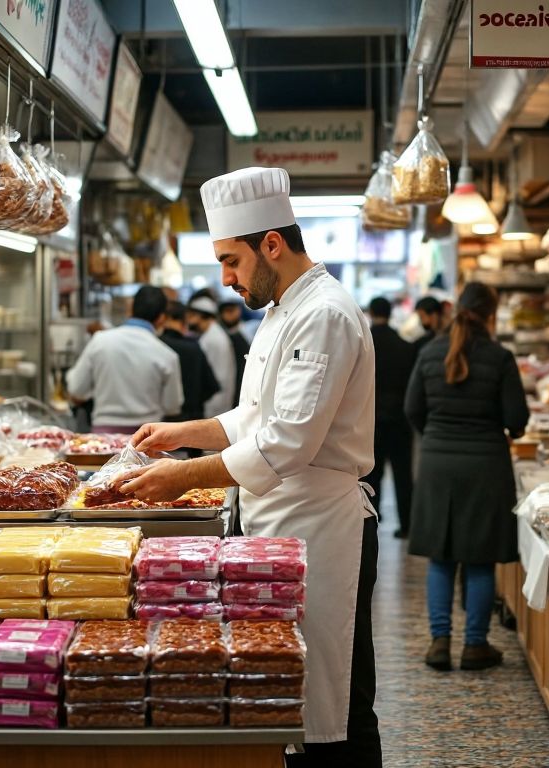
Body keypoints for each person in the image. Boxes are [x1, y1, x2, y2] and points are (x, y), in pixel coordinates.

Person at [117, 167, 381, 765]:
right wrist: (181, 433)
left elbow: (287, 444)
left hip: (322, 528)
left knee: (333, 700)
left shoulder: (325, 314)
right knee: (289, 687)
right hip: (277, 524)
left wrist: (181, 476)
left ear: (272, 244)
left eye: (231, 261)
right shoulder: (280, 310)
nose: (226, 279)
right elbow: (252, 420)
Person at [405, 282, 528, 672]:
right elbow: (517, 421)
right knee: (479, 560)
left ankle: (439, 643)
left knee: (440, 559)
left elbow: (413, 410)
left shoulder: (429, 353)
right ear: (490, 314)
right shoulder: (500, 357)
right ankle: (475, 645)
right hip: (485, 467)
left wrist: (439, 435)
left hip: (438, 465)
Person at [65, 285, 183, 433]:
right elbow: (172, 406)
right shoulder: (167, 355)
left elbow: (76, 389)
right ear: (161, 318)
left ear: (130, 309)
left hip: (104, 438)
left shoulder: (100, 341)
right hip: (147, 439)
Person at [363, 296, 416, 539]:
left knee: (371, 474)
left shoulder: (364, 345)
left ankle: (371, 520)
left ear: (372, 313)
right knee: (402, 473)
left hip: (370, 420)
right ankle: (406, 525)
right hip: (399, 418)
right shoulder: (405, 346)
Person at [160, 301, 221, 422]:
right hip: (191, 419)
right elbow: (212, 387)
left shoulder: (156, 344)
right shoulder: (193, 347)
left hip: (160, 419)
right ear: (184, 320)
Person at [187, 295, 237, 417]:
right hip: (218, 398)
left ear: (200, 316)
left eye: (191, 315)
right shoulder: (211, 334)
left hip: (215, 401)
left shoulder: (212, 338)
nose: (188, 320)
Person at [219, 297, 252, 402]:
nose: (230, 315)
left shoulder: (249, 330)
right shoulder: (220, 334)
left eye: (232, 310)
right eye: (226, 311)